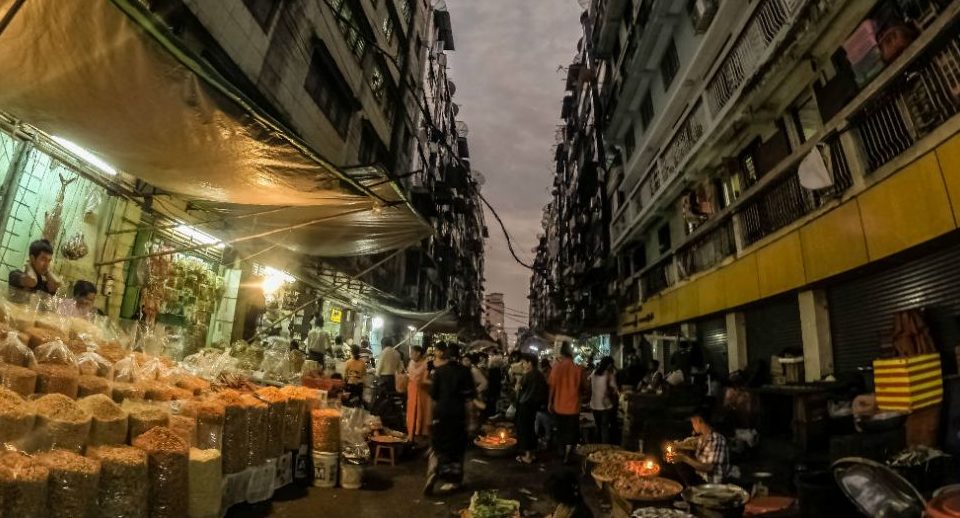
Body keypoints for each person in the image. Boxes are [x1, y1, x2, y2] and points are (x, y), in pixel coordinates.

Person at [424, 343, 476, 496]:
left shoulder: (439, 372)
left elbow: (433, 397)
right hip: (458, 416)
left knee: (437, 446)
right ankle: (453, 481)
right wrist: (472, 421)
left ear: (446, 356)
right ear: (459, 356)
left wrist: (430, 419)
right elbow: (469, 400)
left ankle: (433, 471)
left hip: (441, 414)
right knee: (457, 449)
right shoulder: (465, 372)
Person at [669, 412, 730, 484]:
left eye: (693, 422)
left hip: (712, 484)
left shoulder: (717, 439)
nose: (693, 426)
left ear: (699, 421)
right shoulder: (702, 438)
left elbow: (709, 467)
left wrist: (684, 458)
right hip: (701, 478)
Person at [549, 343, 583, 464]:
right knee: (571, 432)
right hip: (573, 406)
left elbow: (552, 387)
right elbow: (582, 388)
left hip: (559, 406)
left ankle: (561, 451)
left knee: (561, 430)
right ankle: (567, 455)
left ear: (561, 354)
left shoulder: (556, 367)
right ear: (571, 354)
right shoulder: (578, 368)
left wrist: (549, 402)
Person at [516, 353, 547, 464]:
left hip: (525, 405)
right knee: (531, 429)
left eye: (524, 363)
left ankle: (527, 456)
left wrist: (518, 382)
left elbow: (519, 389)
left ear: (530, 363)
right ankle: (531, 454)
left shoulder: (528, 375)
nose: (523, 365)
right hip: (534, 406)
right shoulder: (539, 375)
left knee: (525, 430)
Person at [589, 356, 619, 444]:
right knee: (604, 428)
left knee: (598, 427)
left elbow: (589, 381)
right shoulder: (609, 374)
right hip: (605, 406)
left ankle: (596, 447)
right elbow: (615, 390)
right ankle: (605, 448)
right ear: (609, 364)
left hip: (594, 405)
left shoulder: (594, 372)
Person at [405, 345, 432, 441]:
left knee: (421, 412)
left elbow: (425, 379)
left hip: (422, 392)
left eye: (412, 353)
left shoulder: (426, 364)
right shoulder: (411, 362)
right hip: (412, 391)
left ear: (418, 353)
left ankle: (419, 434)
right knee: (411, 412)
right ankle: (411, 433)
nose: (410, 355)